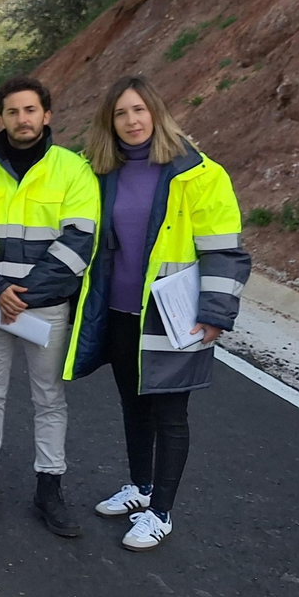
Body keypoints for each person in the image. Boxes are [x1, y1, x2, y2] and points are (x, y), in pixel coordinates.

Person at [64, 74, 250, 551]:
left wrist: (215, 311)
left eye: (139, 110)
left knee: (170, 414)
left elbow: (224, 251)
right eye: (121, 113)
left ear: (157, 112)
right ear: (110, 121)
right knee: (134, 404)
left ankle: (161, 513)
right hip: (120, 311)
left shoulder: (200, 174)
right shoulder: (99, 172)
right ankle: (140, 489)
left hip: (174, 315)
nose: (131, 121)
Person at [0, 75, 99, 538]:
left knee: (48, 396)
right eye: (12, 112)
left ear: (47, 115)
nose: (22, 119)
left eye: (30, 110)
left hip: (42, 305)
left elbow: (78, 242)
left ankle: (50, 486)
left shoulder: (74, 170)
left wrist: (23, 294)